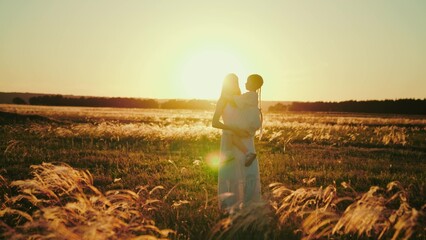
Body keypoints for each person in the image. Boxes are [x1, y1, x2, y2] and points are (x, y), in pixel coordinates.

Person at [212, 73, 262, 213]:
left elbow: (249, 117)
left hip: (245, 139)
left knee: (248, 172)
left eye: (236, 82)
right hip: (229, 138)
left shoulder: (241, 100)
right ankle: (230, 207)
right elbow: (214, 123)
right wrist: (231, 128)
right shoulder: (222, 100)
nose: (235, 85)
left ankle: (249, 206)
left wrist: (247, 130)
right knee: (231, 173)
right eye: (232, 82)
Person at [225, 74, 264, 167]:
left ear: (253, 84)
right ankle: (246, 153)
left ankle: (244, 154)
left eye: (248, 81)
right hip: (252, 122)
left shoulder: (249, 95)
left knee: (231, 134)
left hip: (248, 123)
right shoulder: (254, 95)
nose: (245, 83)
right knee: (237, 136)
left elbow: (235, 102)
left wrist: (226, 96)